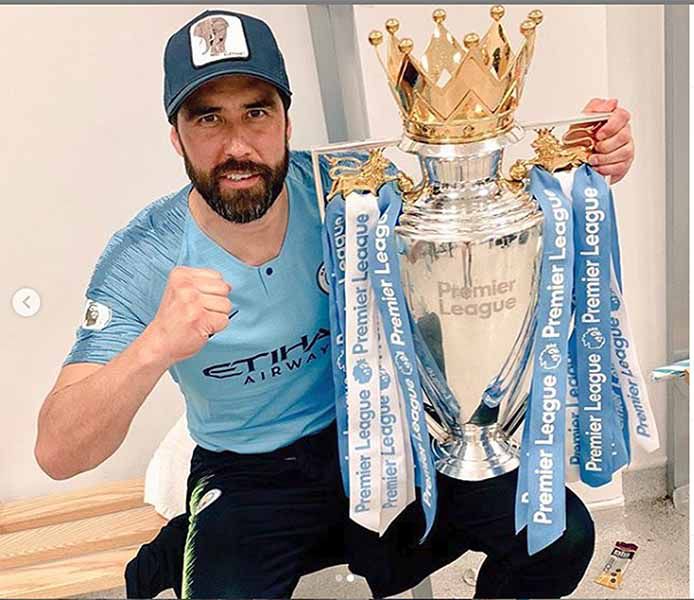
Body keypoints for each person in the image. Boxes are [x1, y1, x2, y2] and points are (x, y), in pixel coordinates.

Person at [35, 9, 636, 599]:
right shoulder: (144, 254)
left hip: (381, 437)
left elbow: (473, 205)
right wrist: (154, 346)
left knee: (560, 538)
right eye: (209, 118)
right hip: (250, 474)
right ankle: (190, 539)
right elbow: (58, 452)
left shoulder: (351, 191)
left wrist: (579, 168)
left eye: (256, 112)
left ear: (286, 124)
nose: (237, 144)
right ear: (177, 137)